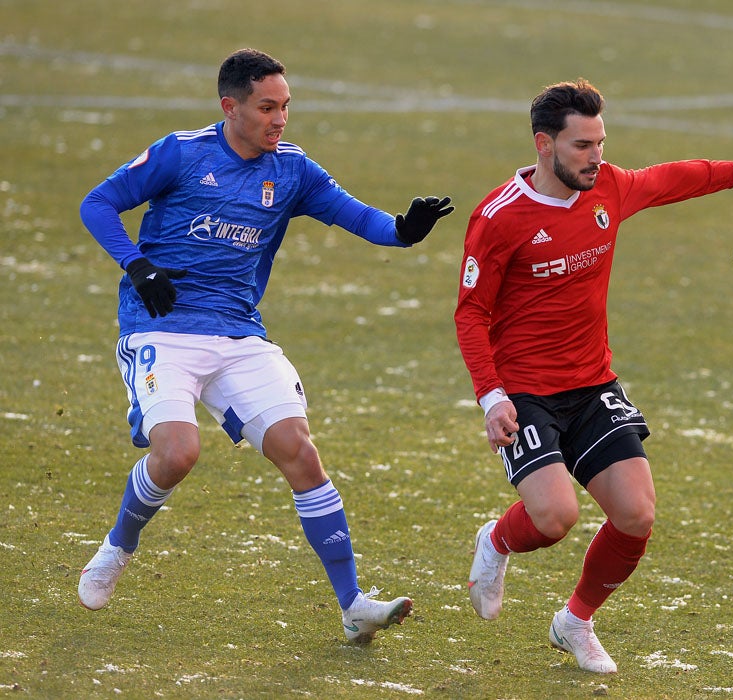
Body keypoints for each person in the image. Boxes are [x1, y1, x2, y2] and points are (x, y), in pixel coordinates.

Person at [77, 48, 453, 645]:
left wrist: (404, 231)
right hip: (161, 329)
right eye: (267, 107)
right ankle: (119, 544)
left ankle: (353, 604)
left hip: (238, 333)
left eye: (286, 107)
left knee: (298, 451)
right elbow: (95, 204)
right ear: (230, 107)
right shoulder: (181, 152)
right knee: (176, 454)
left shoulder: (294, 170)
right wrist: (137, 264)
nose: (280, 119)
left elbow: (360, 218)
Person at [454, 78, 733, 673]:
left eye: (601, 142)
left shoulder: (607, 188)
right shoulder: (499, 217)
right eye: (583, 145)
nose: (597, 156)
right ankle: (495, 541)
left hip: (591, 383)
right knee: (555, 519)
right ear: (543, 144)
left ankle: (574, 622)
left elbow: (670, 179)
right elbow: (471, 313)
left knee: (636, 515)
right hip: (525, 392)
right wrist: (491, 397)